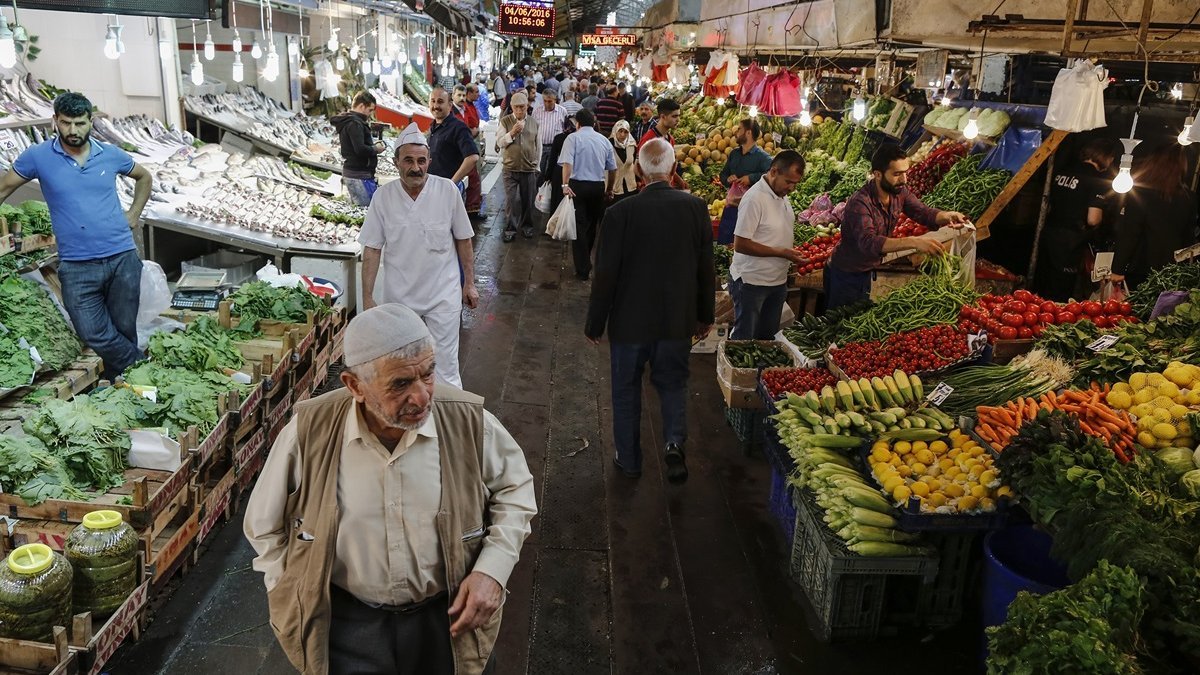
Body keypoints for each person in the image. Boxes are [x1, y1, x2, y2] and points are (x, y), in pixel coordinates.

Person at [244, 303, 537, 675]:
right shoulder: (309, 432)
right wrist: (290, 590)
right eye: (400, 384)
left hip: (447, 618)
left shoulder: (468, 422)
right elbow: (262, 525)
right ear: (355, 386)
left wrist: (492, 570)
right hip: (346, 624)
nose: (422, 397)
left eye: (428, 375)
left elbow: (515, 491)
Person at [585, 137, 715, 483]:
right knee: (673, 383)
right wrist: (705, 316)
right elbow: (706, 268)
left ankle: (628, 459)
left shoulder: (619, 214)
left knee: (626, 389)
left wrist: (595, 323)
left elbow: (606, 273)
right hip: (677, 319)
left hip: (630, 322)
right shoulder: (695, 208)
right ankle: (673, 441)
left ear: (638, 170)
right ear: (674, 170)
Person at [0, 92, 152, 381]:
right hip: (77, 264)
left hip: (122, 258)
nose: (73, 131)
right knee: (91, 331)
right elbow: (3, 189)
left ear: (91, 122)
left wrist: (133, 215)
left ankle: (126, 389)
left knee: (123, 329)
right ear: (55, 121)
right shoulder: (38, 156)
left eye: (80, 123)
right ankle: (143, 369)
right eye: (66, 123)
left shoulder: (111, 154)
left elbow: (144, 177)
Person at [359, 124, 479, 388]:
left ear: (430, 162)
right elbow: (372, 249)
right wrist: (367, 297)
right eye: (408, 161)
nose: (416, 168)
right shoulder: (383, 197)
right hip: (400, 300)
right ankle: (410, 419)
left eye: (422, 161)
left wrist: (469, 283)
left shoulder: (447, 190)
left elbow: (463, 239)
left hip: (443, 295)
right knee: (404, 365)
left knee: (446, 366)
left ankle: (449, 421)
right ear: (396, 163)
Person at [826, 143, 969, 309]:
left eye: (905, 173)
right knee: (839, 325)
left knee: (858, 318)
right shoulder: (860, 203)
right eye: (897, 174)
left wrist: (947, 216)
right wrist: (915, 242)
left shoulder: (899, 192)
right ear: (877, 174)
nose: (904, 179)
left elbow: (922, 212)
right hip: (845, 274)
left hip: (868, 270)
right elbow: (869, 242)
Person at [728, 151, 807, 340]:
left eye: (796, 183)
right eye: (789, 182)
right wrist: (781, 252)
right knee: (744, 340)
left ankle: (759, 371)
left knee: (767, 340)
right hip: (752, 283)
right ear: (774, 171)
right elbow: (741, 244)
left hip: (777, 283)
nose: (792, 188)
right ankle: (736, 371)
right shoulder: (754, 199)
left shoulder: (781, 194)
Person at [1032, 137, 1120, 301]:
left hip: (1048, 234)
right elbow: (1093, 219)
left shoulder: (1063, 170)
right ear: (1105, 157)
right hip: (1069, 243)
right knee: (1058, 294)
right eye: (1111, 158)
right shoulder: (1097, 180)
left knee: (1040, 287)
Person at [1109, 144, 1198, 290]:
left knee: (1134, 309)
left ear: (1152, 163)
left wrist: (1117, 269)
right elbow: (1188, 237)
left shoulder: (1141, 193)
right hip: (1171, 269)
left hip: (1140, 266)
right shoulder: (1189, 197)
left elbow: (1130, 232)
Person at [559, 109, 616, 281]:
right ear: (593, 123)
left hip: (578, 186)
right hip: (597, 187)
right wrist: (609, 188)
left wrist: (564, 185)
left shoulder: (573, 138)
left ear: (578, 123)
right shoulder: (604, 140)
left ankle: (583, 268)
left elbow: (567, 163)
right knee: (591, 227)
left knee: (579, 226)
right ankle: (586, 261)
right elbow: (612, 169)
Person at [717, 119, 773, 244]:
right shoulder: (734, 154)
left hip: (750, 210)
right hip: (731, 208)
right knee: (725, 244)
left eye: (739, 129)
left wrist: (751, 178)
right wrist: (727, 179)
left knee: (742, 245)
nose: (736, 132)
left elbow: (771, 176)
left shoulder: (763, 157)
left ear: (748, 133)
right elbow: (723, 174)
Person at [496, 92, 541, 243]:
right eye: (516, 108)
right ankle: (510, 229)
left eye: (522, 107)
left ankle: (527, 227)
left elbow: (538, 146)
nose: (520, 111)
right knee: (512, 200)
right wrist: (512, 133)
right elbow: (500, 142)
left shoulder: (534, 122)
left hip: (529, 169)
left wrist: (537, 166)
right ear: (512, 107)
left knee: (528, 200)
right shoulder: (505, 121)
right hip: (510, 168)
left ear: (527, 106)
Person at [331, 92, 386, 207]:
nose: (370, 114)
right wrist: (376, 149)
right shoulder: (355, 123)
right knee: (365, 213)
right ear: (361, 106)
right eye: (370, 110)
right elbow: (360, 150)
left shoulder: (349, 121)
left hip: (354, 174)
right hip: (358, 176)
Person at [427, 87, 480, 194]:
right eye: (433, 101)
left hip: (448, 190)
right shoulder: (433, 126)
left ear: (450, 105)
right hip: (433, 187)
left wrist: (452, 182)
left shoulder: (458, 127)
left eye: (440, 102)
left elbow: (473, 157)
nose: (436, 106)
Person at [453, 86, 484, 219]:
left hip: (467, 150)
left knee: (472, 179)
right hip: (457, 153)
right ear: (453, 95)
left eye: (463, 95)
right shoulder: (452, 112)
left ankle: (471, 211)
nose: (462, 98)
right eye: (459, 95)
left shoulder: (465, 109)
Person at [539, 115, 575, 221]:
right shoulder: (577, 139)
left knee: (556, 199)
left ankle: (554, 224)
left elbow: (553, 158)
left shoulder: (559, 138)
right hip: (573, 172)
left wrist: (548, 176)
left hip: (558, 172)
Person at [531, 88, 566, 176]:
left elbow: (565, 130)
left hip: (555, 148)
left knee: (552, 172)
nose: (547, 104)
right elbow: (532, 129)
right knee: (538, 172)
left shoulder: (562, 111)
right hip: (540, 147)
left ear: (555, 100)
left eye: (550, 101)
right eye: (545, 101)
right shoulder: (537, 111)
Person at [607, 120, 638, 203]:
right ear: (615, 131)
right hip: (614, 188)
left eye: (625, 132)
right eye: (620, 131)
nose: (622, 135)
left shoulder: (632, 145)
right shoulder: (608, 146)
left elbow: (634, 164)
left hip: (630, 187)